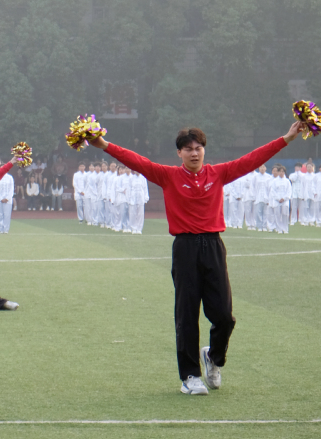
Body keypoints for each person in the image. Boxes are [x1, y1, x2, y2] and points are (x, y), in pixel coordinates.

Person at [89, 121, 306, 395]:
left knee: (224, 316)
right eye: (188, 149)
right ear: (179, 153)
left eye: (199, 148)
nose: (194, 153)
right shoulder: (167, 175)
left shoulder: (219, 173)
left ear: (204, 150)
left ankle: (213, 357)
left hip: (213, 246)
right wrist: (104, 145)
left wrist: (286, 138)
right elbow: (137, 161)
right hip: (185, 248)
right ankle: (190, 376)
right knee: (187, 314)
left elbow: (252, 159)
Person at [268, 165, 291, 234]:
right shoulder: (275, 181)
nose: (281, 173)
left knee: (285, 214)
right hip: (277, 200)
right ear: (278, 172)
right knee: (277, 215)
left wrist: (284, 198)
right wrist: (278, 198)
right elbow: (273, 191)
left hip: (285, 200)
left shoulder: (287, 181)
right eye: (280, 171)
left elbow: (289, 191)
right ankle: (279, 229)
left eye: (283, 171)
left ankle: (285, 229)